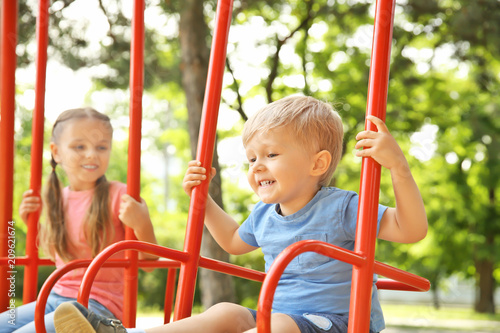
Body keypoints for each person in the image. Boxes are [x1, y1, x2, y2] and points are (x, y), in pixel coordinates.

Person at [52, 96, 427, 333]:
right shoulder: (265, 214)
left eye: (271, 155)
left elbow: (410, 229)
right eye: (251, 159)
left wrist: (398, 168)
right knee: (227, 312)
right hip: (276, 318)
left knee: (273, 325)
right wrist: (202, 200)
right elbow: (232, 241)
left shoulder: (342, 207)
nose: (257, 167)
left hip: (335, 324)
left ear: (318, 163)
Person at [0, 108, 158, 333]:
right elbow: (59, 256)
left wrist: (142, 224)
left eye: (101, 147)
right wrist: (32, 224)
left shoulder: (119, 195)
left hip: (99, 305)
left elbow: (149, 262)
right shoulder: (57, 198)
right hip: (56, 296)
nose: (92, 154)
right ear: (56, 152)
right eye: (79, 147)